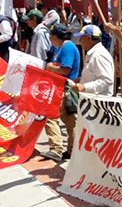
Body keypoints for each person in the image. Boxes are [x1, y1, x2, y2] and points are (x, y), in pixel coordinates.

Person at [41, 24, 80, 162]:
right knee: (70, 122)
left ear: (56, 36)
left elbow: (65, 70)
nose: (50, 38)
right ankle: (73, 149)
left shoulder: (67, 47)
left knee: (50, 117)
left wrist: (50, 67)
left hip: (64, 89)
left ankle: (56, 149)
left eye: (51, 36)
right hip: (65, 89)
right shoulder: (62, 47)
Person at [72, 25, 114, 96]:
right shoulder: (93, 54)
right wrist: (81, 80)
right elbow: (93, 75)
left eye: (81, 38)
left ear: (88, 38)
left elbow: (107, 80)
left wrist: (84, 87)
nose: (79, 40)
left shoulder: (99, 55)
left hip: (99, 102)